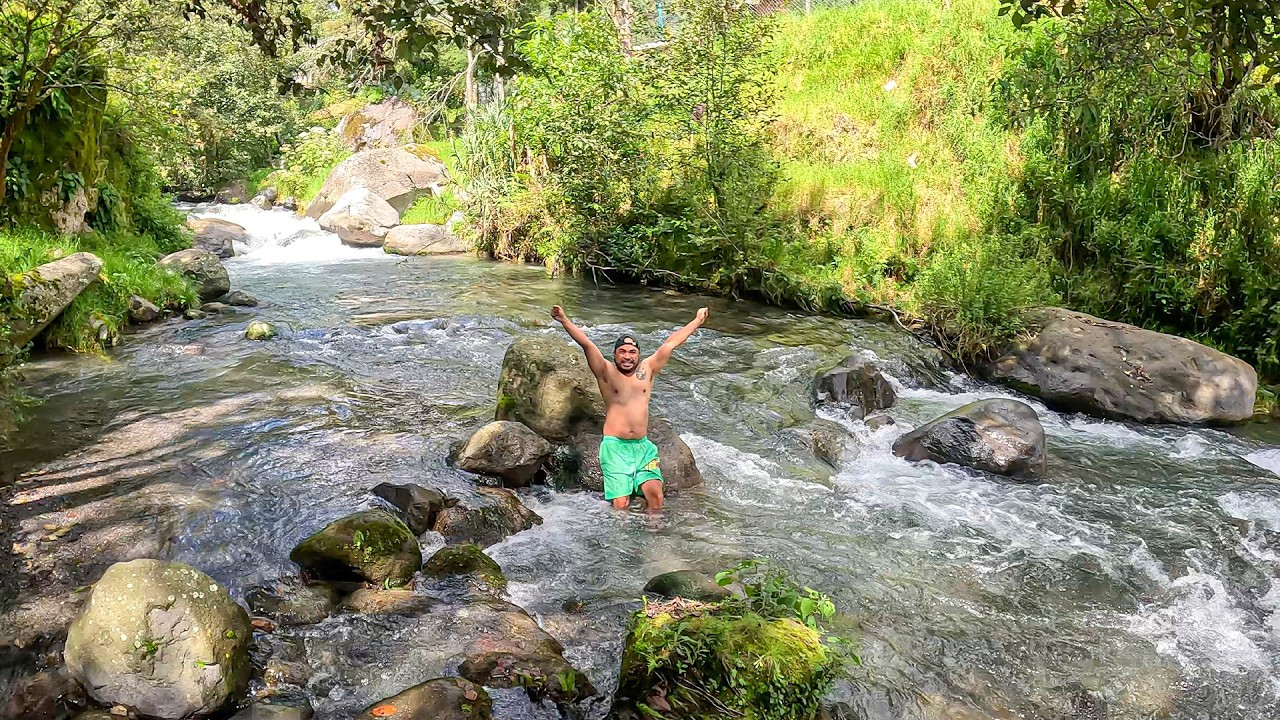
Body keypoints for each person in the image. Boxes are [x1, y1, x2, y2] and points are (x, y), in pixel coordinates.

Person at [550, 305, 709, 511]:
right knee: (621, 504)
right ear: (615, 355)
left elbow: (671, 344)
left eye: (632, 352)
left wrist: (696, 321)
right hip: (615, 448)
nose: (627, 356)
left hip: (643, 449)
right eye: (622, 352)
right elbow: (586, 344)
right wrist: (564, 320)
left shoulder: (648, 370)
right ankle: (622, 540)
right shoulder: (606, 373)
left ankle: (653, 537)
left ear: (638, 355)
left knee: (656, 496)